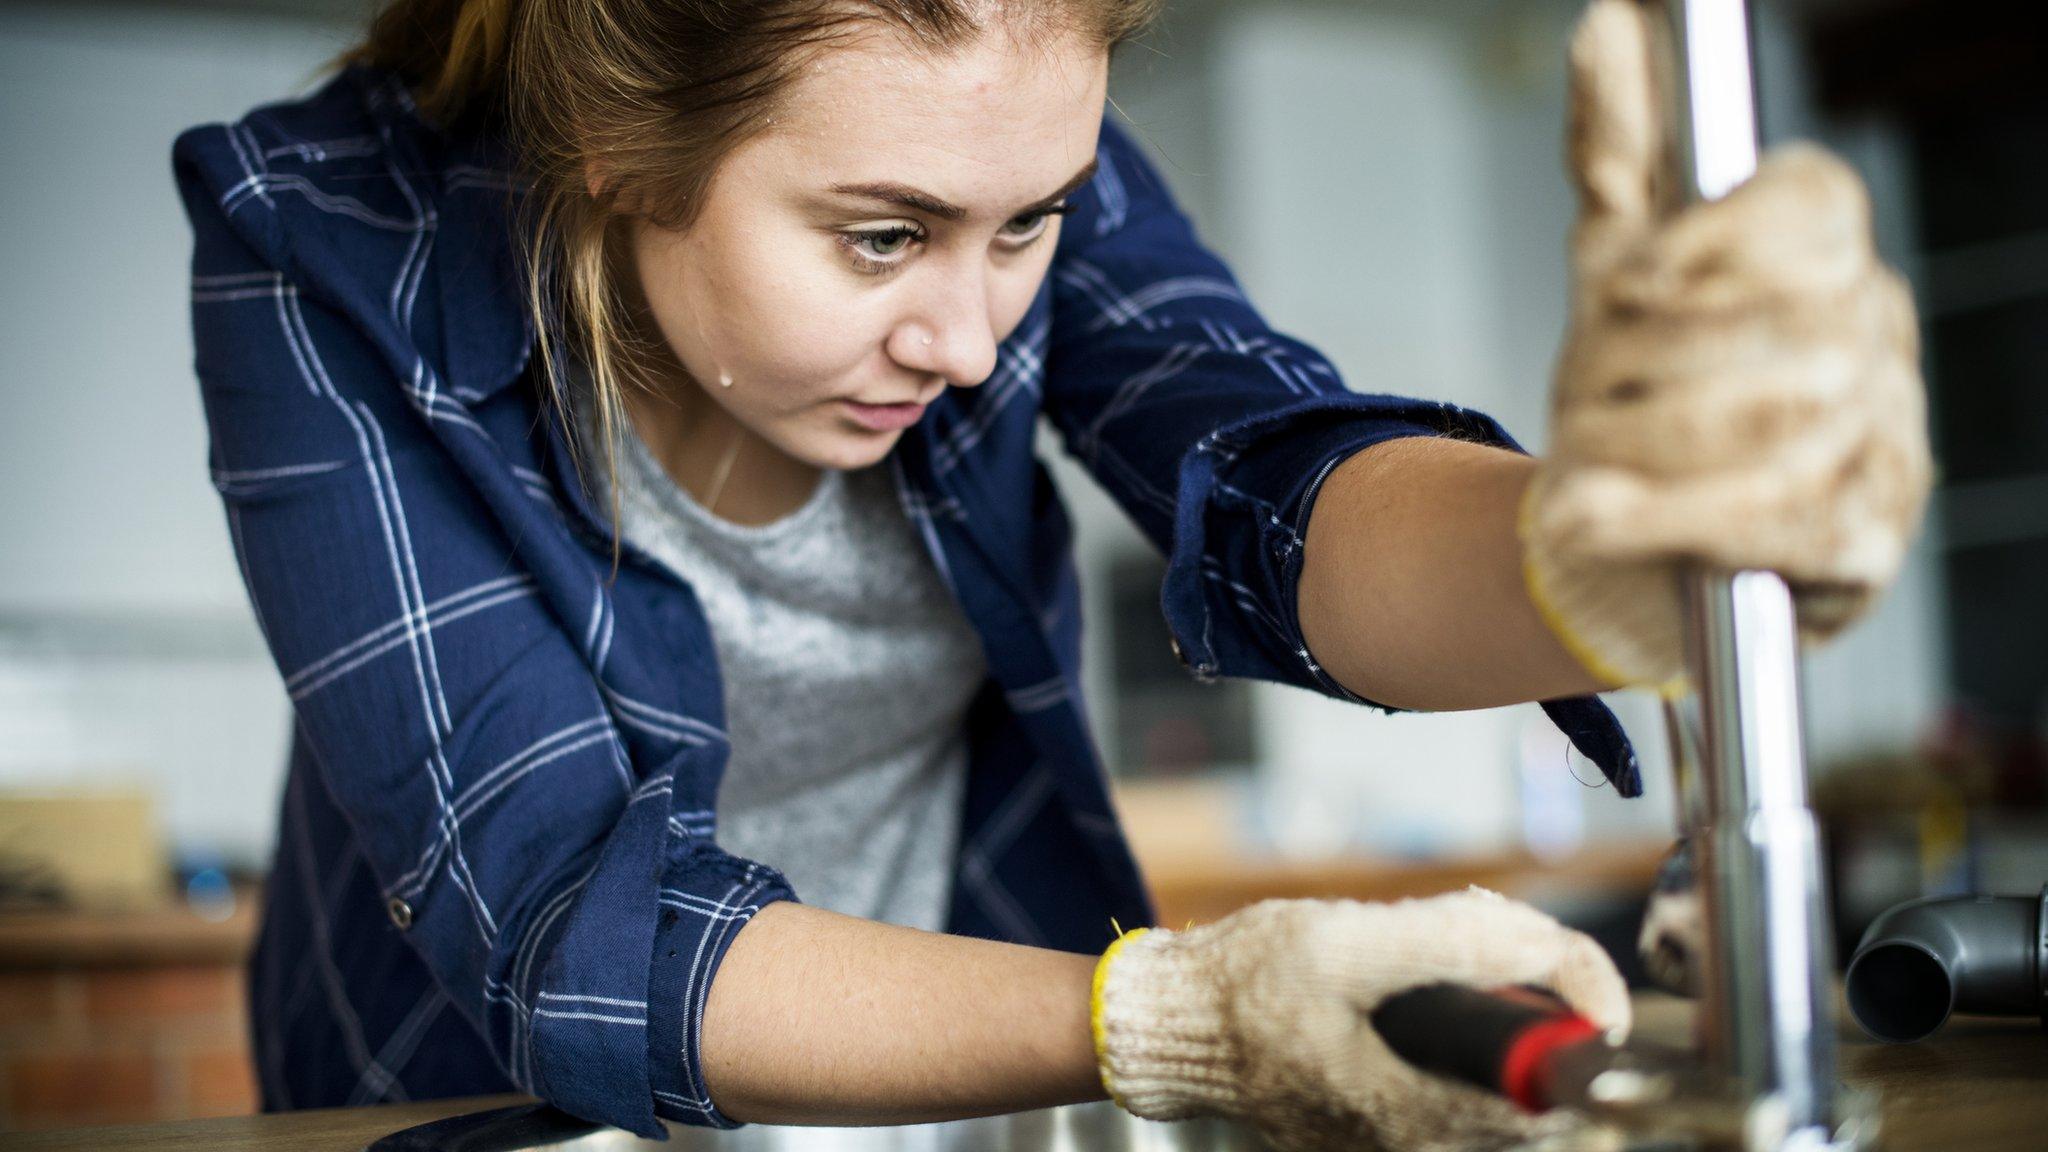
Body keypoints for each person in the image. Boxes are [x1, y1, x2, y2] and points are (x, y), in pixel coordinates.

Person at [170, 0, 1927, 1147]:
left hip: (953, 1078)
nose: (963, 330)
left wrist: (1589, 549)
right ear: (623, 155)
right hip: (512, 1105)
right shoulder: (317, 242)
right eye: (881, 237)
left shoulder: (994, 146)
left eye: (1028, 229)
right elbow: (565, 917)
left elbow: (1272, 478)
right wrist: (1181, 1013)